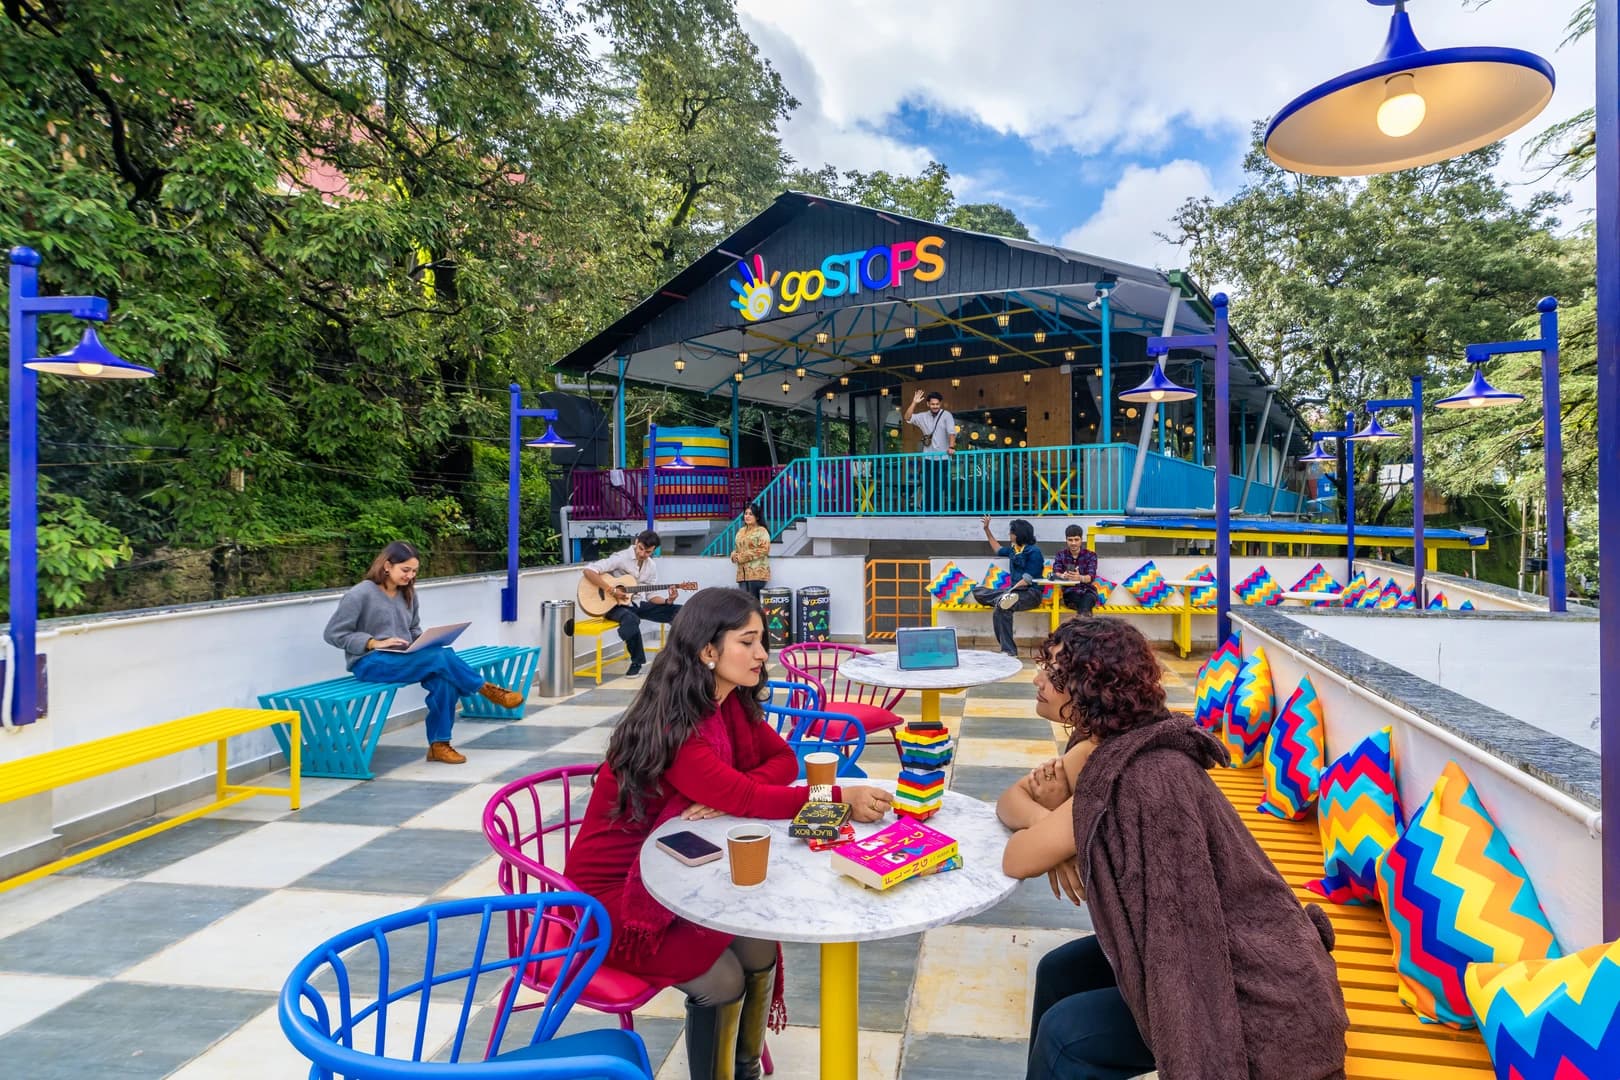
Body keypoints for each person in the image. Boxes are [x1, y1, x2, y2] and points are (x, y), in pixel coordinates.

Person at [563, 588, 894, 1080]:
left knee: (758, 947)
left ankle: (744, 1070)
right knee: (722, 980)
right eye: (748, 641)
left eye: (762, 641)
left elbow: (782, 761)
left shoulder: (729, 702)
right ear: (707, 651)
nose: (763, 654)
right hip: (614, 897)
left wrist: (732, 793)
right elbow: (753, 797)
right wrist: (835, 797)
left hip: (679, 862)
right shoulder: (676, 726)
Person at [999, 618, 1348, 1080]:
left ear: (1091, 687)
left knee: (1065, 1038)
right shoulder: (1101, 746)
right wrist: (1057, 831)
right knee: (1058, 971)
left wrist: (1059, 831)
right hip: (1182, 947)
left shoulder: (1133, 772)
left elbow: (1016, 858)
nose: (1039, 680)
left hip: (1250, 984)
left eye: (1055, 672)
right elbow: (1010, 802)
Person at [323, 541, 524, 765]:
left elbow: (412, 629)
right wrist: (372, 642)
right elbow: (333, 633)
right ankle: (484, 688)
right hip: (370, 662)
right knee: (441, 657)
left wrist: (424, 641)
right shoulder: (360, 594)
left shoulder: (407, 593)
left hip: (403, 658)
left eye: (414, 571)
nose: (410, 576)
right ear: (387, 566)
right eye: (405, 570)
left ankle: (439, 745)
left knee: (444, 679)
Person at [583, 529, 681, 677]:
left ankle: (682, 654)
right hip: (612, 606)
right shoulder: (621, 558)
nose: (642, 554)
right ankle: (637, 662)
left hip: (635, 603)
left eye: (648, 552)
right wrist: (611, 590)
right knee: (631, 619)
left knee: (679, 611)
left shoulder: (651, 566)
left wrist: (668, 600)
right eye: (641, 548)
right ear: (636, 542)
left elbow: (651, 596)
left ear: (653, 550)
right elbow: (589, 571)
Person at [977, 516, 1045, 658]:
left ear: (1018, 534)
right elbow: (997, 549)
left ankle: (1009, 651)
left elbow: (1027, 579)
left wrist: (1010, 591)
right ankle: (1001, 599)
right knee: (978, 592)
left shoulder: (1034, 552)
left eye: (1011, 532)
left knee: (1002, 607)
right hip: (1013, 592)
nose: (1009, 534)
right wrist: (987, 529)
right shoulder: (1013, 550)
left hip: (1030, 593)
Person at [904, 389, 957, 510]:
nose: (935, 406)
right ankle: (928, 511)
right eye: (932, 404)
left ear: (940, 404)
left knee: (940, 486)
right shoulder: (923, 416)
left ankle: (937, 511)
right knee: (928, 486)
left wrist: (951, 447)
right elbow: (907, 417)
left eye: (937, 404)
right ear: (928, 404)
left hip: (943, 458)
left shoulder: (946, 415)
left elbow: (951, 433)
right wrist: (914, 402)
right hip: (928, 457)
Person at [1049, 524, 1099, 615]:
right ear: (1066, 540)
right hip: (1070, 592)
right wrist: (1062, 576)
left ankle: (1081, 621)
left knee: (1087, 600)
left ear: (1081, 540)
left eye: (1076, 539)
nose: (1073, 543)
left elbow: (1091, 576)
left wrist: (1080, 578)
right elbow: (1056, 572)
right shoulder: (1061, 555)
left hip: (1088, 591)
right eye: (1070, 540)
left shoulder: (1091, 555)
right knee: (1083, 606)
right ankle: (1085, 622)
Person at [730, 503, 770, 602]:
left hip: (756, 574)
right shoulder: (741, 531)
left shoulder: (762, 531)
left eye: (751, 514)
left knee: (753, 602)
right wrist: (734, 555)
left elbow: (764, 549)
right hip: (742, 574)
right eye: (746, 513)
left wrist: (743, 557)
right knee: (743, 602)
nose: (747, 516)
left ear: (757, 517)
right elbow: (737, 548)